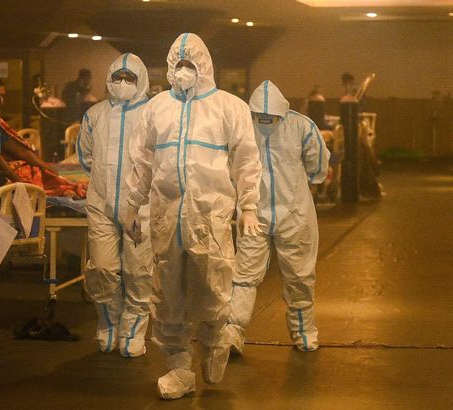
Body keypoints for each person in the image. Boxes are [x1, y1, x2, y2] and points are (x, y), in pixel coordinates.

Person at [124, 33, 262, 399]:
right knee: (166, 292)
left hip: (210, 214)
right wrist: (131, 205)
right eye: (178, 64)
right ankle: (179, 368)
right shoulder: (155, 108)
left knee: (214, 286)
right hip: (166, 214)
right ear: (170, 66)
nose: (183, 71)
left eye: (190, 65)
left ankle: (215, 343)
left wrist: (248, 205)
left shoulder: (229, 107)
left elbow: (247, 160)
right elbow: (141, 160)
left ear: (203, 66)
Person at [226, 80, 330, 354]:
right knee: (244, 274)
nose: (265, 121)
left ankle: (304, 332)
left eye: (271, 117)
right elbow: (229, 165)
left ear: (282, 112)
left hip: (294, 215)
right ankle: (233, 332)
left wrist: (301, 190)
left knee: (299, 275)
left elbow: (319, 164)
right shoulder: (242, 127)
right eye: (261, 116)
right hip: (253, 213)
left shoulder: (301, 127)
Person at [77, 53, 152, 358]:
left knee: (139, 271)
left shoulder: (153, 113)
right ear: (109, 79)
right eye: (117, 77)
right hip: (102, 204)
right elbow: (86, 156)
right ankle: (109, 322)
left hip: (142, 207)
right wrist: (105, 182)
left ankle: (133, 330)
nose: (122, 83)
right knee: (103, 269)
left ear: (141, 80)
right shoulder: (95, 115)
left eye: (129, 78)